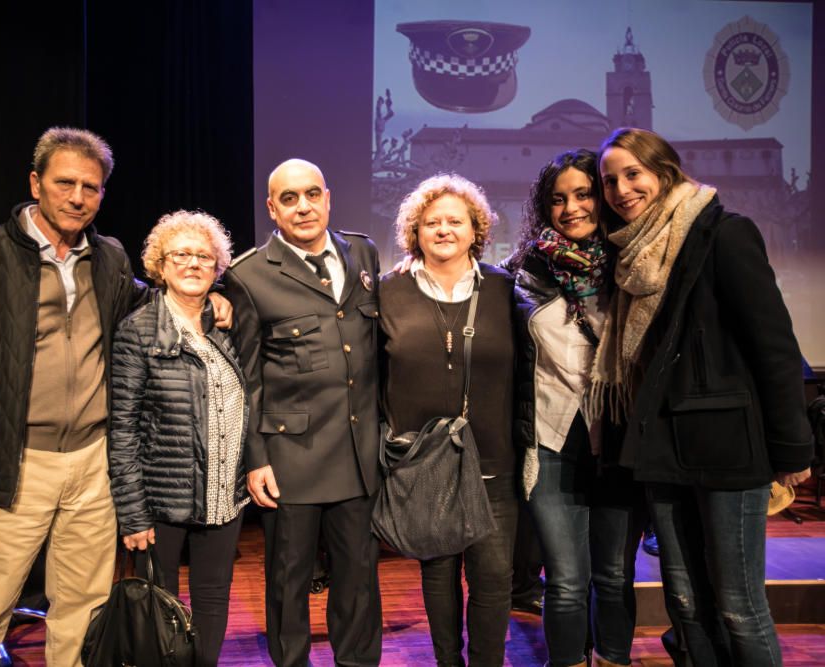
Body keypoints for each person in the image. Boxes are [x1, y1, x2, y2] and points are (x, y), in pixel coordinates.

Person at [0, 127, 230, 666]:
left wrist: (216, 293)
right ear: (36, 183)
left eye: (92, 187)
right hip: (11, 465)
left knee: (84, 613)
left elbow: (159, 304)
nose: (78, 197)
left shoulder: (109, 259)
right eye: (65, 183)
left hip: (91, 465)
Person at [594, 127, 814, 666]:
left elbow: (775, 348)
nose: (621, 190)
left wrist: (793, 450)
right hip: (662, 452)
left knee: (738, 604)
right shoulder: (626, 256)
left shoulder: (724, 234)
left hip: (726, 450)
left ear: (664, 172)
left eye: (632, 174)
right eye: (609, 181)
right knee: (686, 602)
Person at [222, 158, 383, 667]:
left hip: (359, 453)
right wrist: (255, 458)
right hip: (290, 458)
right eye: (289, 198)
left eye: (312, 194)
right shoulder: (249, 275)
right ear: (272, 208)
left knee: (358, 580)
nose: (303, 206)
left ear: (328, 197)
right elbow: (246, 379)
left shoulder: (364, 252)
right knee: (288, 583)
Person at [508, 149, 645, 667]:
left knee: (612, 576)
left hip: (617, 440)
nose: (570, 208)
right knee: (565, 581)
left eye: (583, 194)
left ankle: (612, 660)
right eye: (557, 199)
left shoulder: (632, 271)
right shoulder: (523, 275)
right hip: (551, 440)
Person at [379, 173, 517, 666]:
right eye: (431, 222)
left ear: (475, 229)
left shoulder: (504, 288)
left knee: (494, 579)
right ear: (414, 232)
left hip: (494, 462)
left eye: (454, 221)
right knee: (438, 577)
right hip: (423, 464)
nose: (443, 230)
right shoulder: (387, 291)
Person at [109, 210, 247, 667]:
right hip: (160, 504)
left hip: (223, 498)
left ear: (217, 268)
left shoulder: (226, 328)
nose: (192, 264)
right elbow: (123, 427)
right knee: (160, 615)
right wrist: (132, 514)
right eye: (181, 255)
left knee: (212, 602)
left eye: (203, 256)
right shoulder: (138, 331)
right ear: (161, 266)